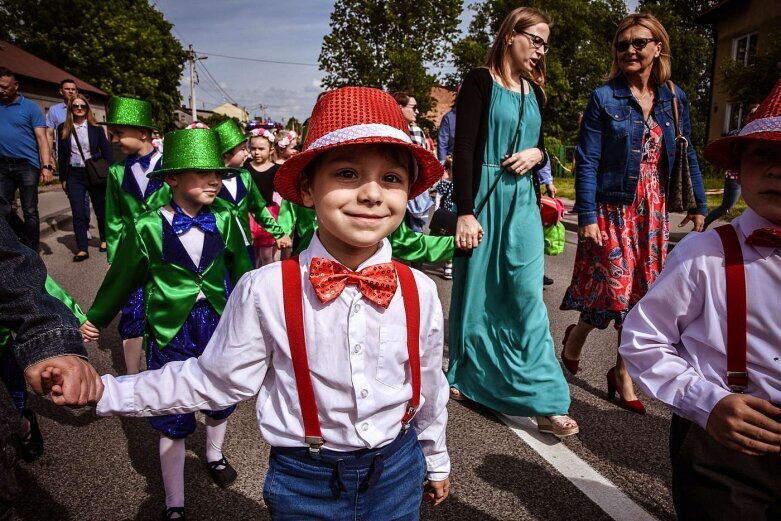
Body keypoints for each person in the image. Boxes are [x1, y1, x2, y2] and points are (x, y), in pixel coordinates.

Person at [88, 86, 451, 520]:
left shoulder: (419, 290)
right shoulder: (266, 289)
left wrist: (435, 457)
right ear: (308, 189)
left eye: (391, 178)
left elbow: (429, 384)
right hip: (306, 481)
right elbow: (213, 379)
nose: (373, 194)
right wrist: (106, 390)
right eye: (348, 174)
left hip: (398, 471)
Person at [619, 79, 781, 519]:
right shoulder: (703, 254)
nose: (775, 170)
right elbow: (642, 339)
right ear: (739, 168)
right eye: (763, 154)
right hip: (724, 443)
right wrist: (707, 403)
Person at [80, 129, 253, 520]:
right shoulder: (147, 226)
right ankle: (175, 501)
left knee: (221, 396)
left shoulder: (226, 218)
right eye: (201, 173)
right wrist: (96, 318)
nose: (215, 180)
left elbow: (245, 274)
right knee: (171, 407)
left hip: (216, 324)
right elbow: (121, 277)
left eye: (217, 174)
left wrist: (255, 316)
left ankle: (213, 453)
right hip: (169, 326)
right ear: (172, 178)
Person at [559, 13, 708, 414]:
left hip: (652, 210)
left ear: (658, 47)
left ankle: (621, 373)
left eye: (639, 43)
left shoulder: (673, 98)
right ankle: (576, 337)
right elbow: (586, 159)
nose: (629, 50)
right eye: (622, 45)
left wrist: (699, 205)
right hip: (612, 206)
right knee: (614, 291)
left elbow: (686, 150)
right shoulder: (603, 97)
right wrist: (586, 215)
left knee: (641, 296)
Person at [447, 7, 578, 438]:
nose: (541, 49)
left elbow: (540, 144)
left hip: (522, 200)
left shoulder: (537, 93)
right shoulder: (479, 80)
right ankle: (470, 375)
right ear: (510, 36)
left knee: (525, 297)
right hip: (484, 194)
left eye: (545, 42)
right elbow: (464, 147)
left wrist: (538, 155)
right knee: (479, 292)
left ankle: (545, 399)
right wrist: (464, 210)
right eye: (535, 39)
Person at [0, 210, 103, 518]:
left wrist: (71, 321)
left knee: (14, 400)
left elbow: (35, 282)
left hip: (4, 343)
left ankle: (22, 423)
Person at [102, 96, 170, 376]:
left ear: (143, 133)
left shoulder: (170, 165)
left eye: (119, 134)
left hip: (167, 249)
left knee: (165, 308)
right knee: (132, 310)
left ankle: (167, 370)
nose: (115, 140)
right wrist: (116, 258)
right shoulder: (117, 172)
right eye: (112, 134)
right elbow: (114, 218)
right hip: (133, 253)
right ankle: (132, 375)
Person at [212, 119, 291, 266]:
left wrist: (279, 233)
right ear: (227, 153)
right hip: (219, 248)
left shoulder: (244, 177)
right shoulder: (210, 182)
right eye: (242, 149)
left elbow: (258, 209)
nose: (247, 152)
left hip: (245, 245)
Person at [0, 67, 55, 251]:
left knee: (30, 209)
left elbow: (42, 139)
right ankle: (17, 239)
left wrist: (46, 166)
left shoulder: (30, 107)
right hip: (2, 165)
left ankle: (32, 249)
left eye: (4, 86)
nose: (1, 90)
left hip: (27, 165)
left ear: (15, 85)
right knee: (2, 208)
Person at [57, 94, 113, 261]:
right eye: (76, 106)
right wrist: (63, 178)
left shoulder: (96, 128)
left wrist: (112, 171)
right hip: (74, 174)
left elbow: (107, 151)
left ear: (87, 109)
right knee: (78, 211)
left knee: (100, 208)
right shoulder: (63, 128)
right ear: (71, 109)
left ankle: (104, 239)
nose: (79, 109)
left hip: (94, 172)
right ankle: (82, 248)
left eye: (82, 106)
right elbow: (62, 155)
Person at [703, 103, 759, 230]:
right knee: (726, 207)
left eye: (757, 113)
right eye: (752, 114)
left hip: (752, 176)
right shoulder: (737, 134)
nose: (754, 116)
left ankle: (749, 233)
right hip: (735, 176)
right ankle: (701, 226)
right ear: (745, 117)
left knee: (756, 209)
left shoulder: (760, 135)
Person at [393, 92, 434, 234]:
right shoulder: (386, 130)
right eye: (413, 107)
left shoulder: (416, 131)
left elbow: (423, 164)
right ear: (400, 107)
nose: (417, 111)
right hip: (394, 191)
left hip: (413, 191)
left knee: (414, 232)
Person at [244, 128, 284, 266]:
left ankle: (265, 282)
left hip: (268, 213)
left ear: (271, 149)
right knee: (252, 254)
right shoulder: (245, 168)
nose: (256, 152)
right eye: (253, 148)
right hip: (249, 214)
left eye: (261, 148)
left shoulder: (275, 169)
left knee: (267, 255)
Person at [537, 157, 558, 286]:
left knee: (534, 237)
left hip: (529, 187)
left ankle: (537, 273)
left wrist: (548, 181)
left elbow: (541, 152)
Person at [433, 155, 455, 279]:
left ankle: (452, 263)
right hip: (447, 215)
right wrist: (437, 211)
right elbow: (438, 197)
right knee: (447, 240)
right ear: (448, 171)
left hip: (458, 215)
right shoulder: (445, 184)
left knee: (456, 239)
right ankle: (448, 262)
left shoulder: (465, 185)